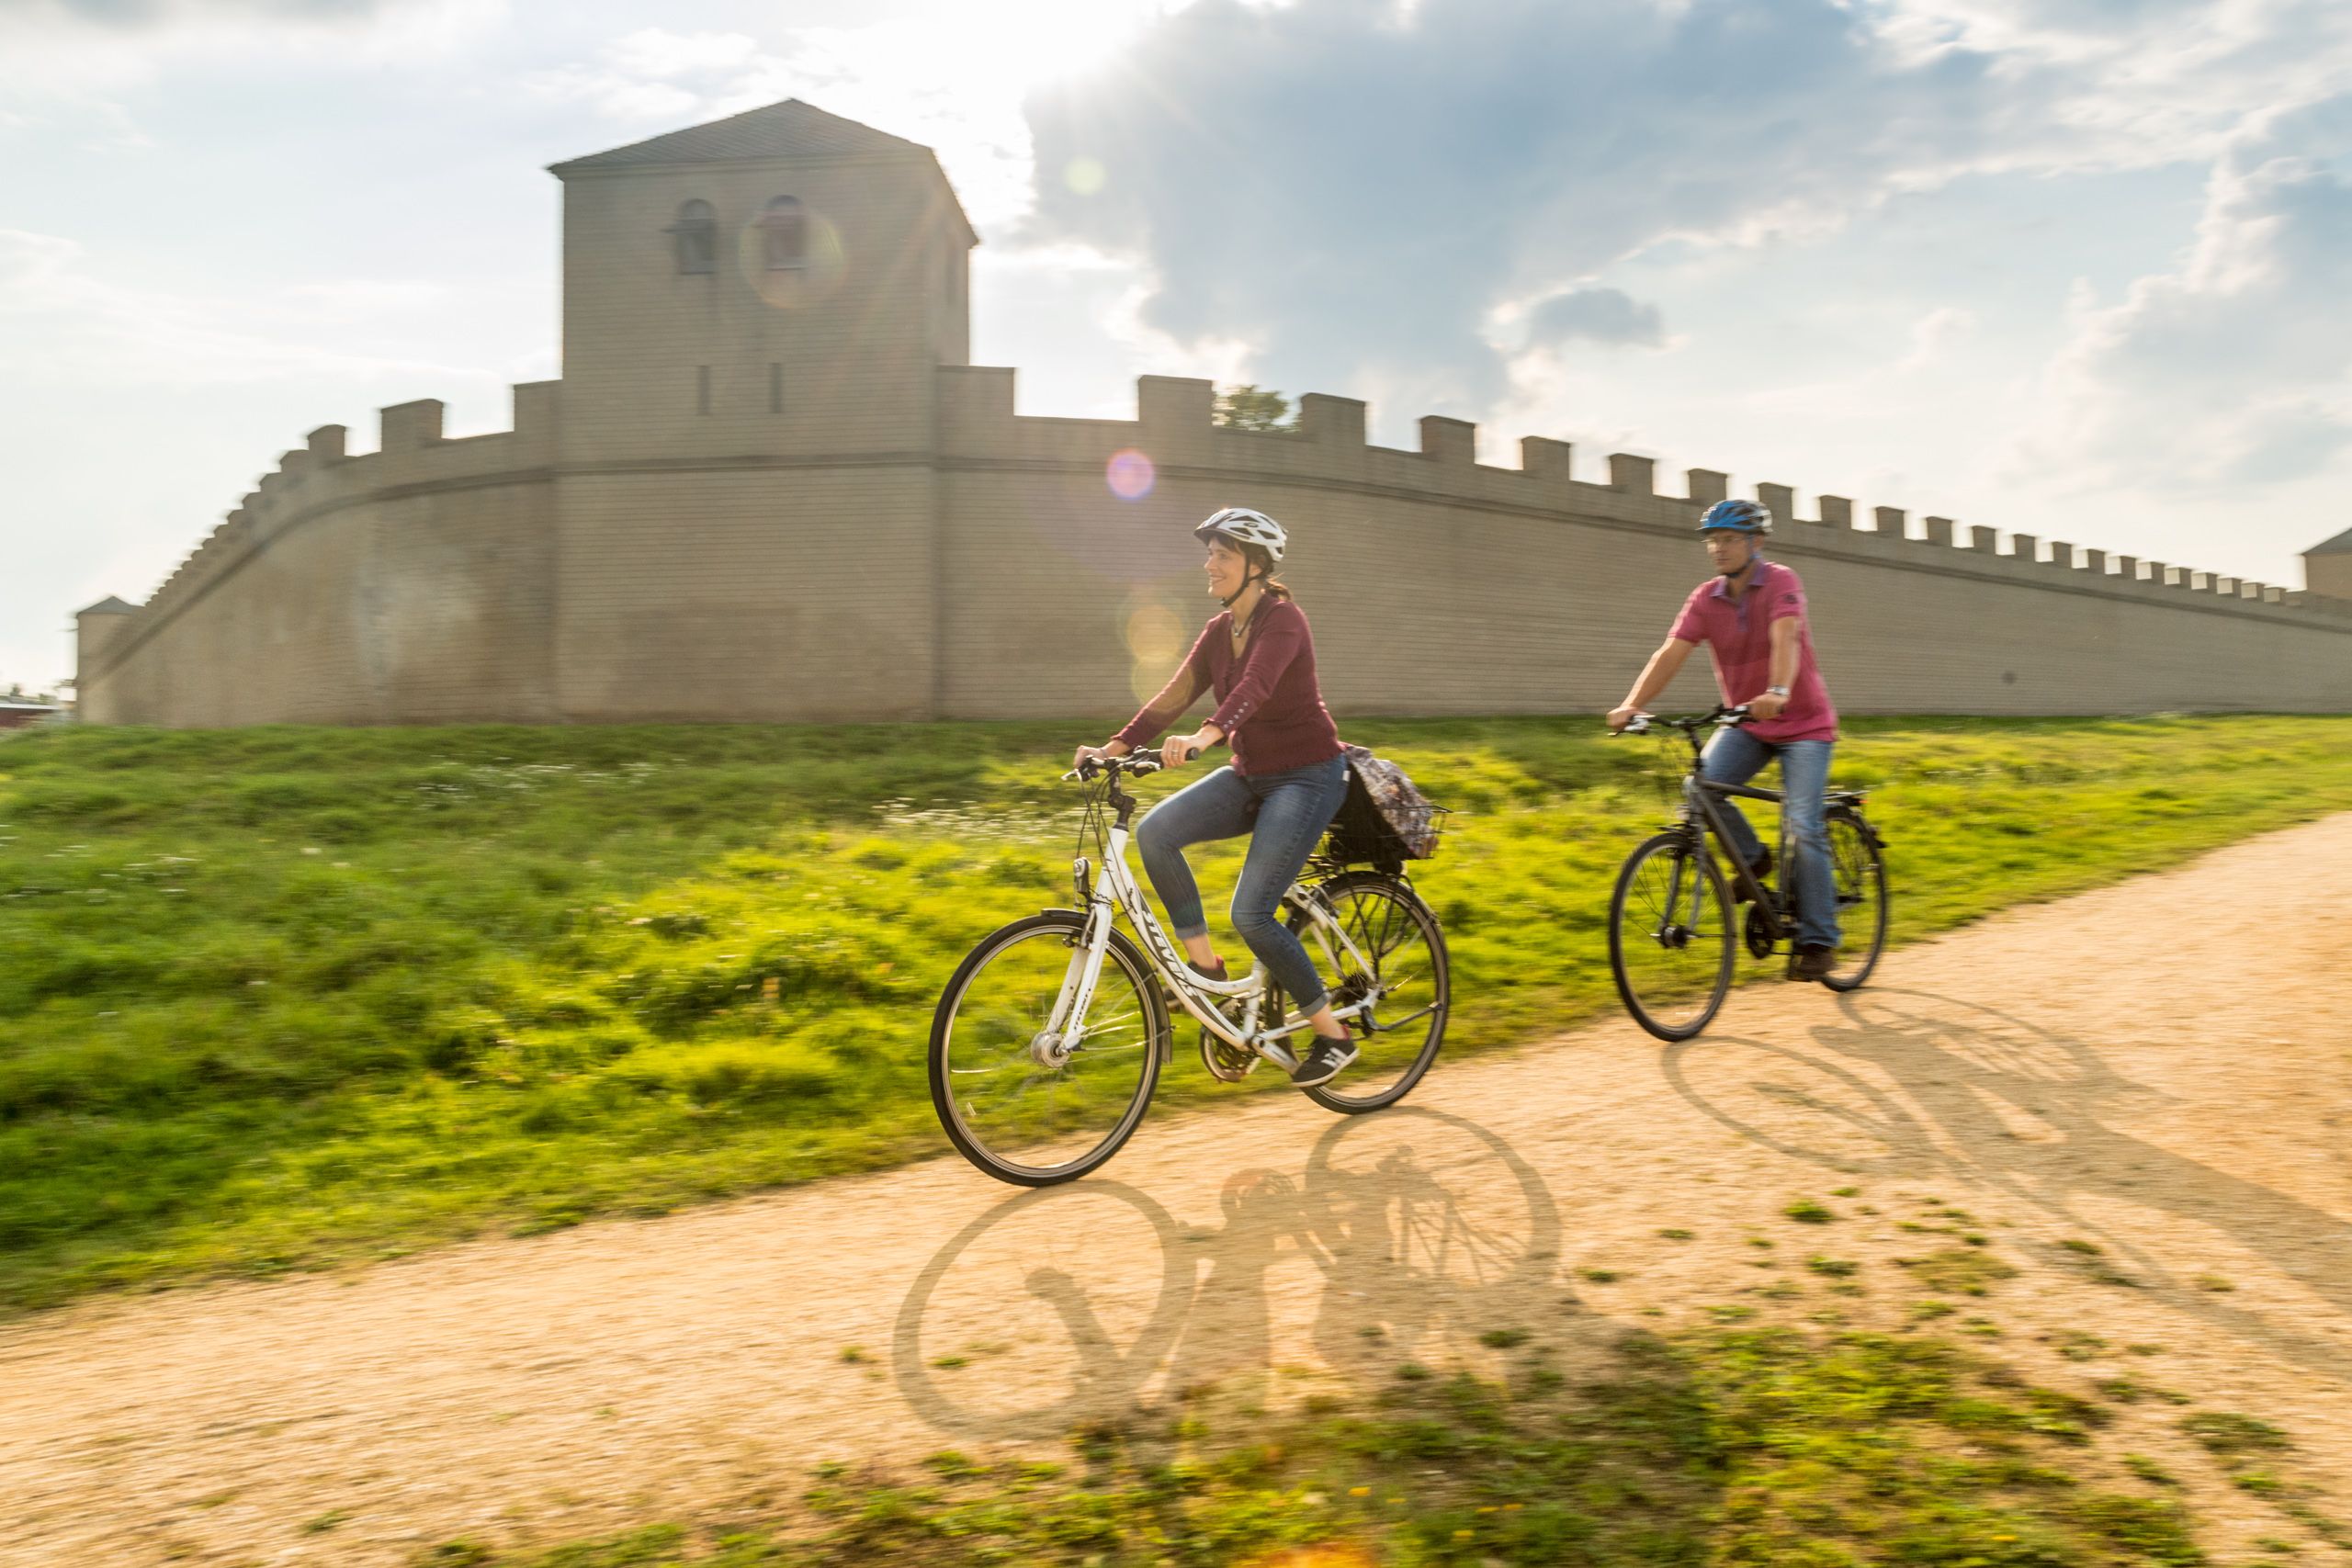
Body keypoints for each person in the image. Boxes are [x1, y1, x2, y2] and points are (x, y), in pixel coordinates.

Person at [1070, 507, 1360, 1086]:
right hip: (1253, 774)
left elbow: (1256, 686)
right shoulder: (1216, 632)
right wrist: (1116, 746)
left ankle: (1334, 1035)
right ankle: (1207, 975)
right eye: (1211, 554)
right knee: (1156, 833)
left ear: (1255, 566)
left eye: (1222, 555)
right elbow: (1174, 696)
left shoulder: (1285, 621)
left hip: (1308, 776)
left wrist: (1207, 734)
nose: (1209, 564)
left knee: (1252, 912)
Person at [1606, 498, 1844, 981]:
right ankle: (1754, 859)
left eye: (1730, 539)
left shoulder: (1781, 582)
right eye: (1713, 540)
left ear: (1757, 543)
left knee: (1802, 822)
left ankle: (1819, 939)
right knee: (1700, 788)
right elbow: (1671, 652)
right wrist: (1633, 704)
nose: (1719, 548)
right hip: (1747, 723)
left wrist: (1777, 690)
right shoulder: (1705, 597)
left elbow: (1786, 639)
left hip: (1803, 725)